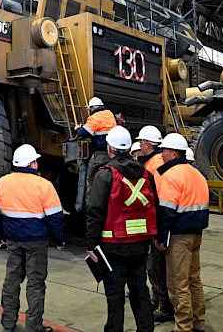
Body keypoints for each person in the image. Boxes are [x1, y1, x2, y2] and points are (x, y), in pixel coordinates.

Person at [86, 126, 158, 332]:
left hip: (113, 246)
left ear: (109, 148)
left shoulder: (105, 175)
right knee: (140, 292)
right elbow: (155, 208)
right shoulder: (146, 174)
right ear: (128, 149)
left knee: (115, 296)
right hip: (140, 245)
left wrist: (91, 244)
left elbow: (95, 211)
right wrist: (150, 239)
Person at [0, 144, 65, 332]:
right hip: (36, 242)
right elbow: (55, 218)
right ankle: (33, 326)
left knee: (11, 281)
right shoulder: (44, 185)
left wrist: (1, 236)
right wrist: (59, 240)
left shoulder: (3, 182)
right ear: (32, 164)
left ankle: (8, 323)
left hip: (12, 240)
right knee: (35, 284)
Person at [155, 133, 209, 332]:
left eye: (164, 151)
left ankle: (183, 328)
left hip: (179, 237)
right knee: (194, 280)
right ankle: (198, 323)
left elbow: (166, 212)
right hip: (196, 234)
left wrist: (161, 239)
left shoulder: (171, 176)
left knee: (178, 283)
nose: (162, 155)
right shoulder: (197, 173)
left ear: (174, 153)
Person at [135, 126, 171, 321]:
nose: (140, 145)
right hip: (154, 221)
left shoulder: (154, 164)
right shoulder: (152, 161)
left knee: (157, 267)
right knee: (154, 266)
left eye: (141, 142)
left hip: (155, 221)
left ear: (148, 144)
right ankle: (157, 301)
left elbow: (154, 196)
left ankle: (163, 305)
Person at [76, 97, 117, 194]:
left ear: (93, 108)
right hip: (112, 153)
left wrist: (77, 128)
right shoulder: (109, 114)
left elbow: (83, 132)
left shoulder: (95, 117)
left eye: (90, 109)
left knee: (90, 179)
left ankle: (90, 201)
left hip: (100, 154)